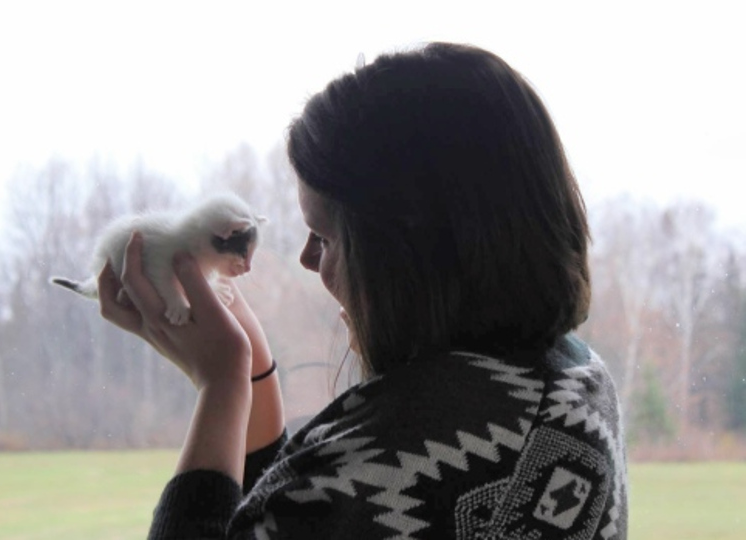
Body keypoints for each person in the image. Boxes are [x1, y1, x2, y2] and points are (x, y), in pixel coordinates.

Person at [97, 42, 628, 539]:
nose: (307, 259)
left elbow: (313, 502)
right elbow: (287, 507)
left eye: (325, 236)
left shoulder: (397, 455)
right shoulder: (575, 384)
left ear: (405, 248)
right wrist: (253, 368)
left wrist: (222, 385)